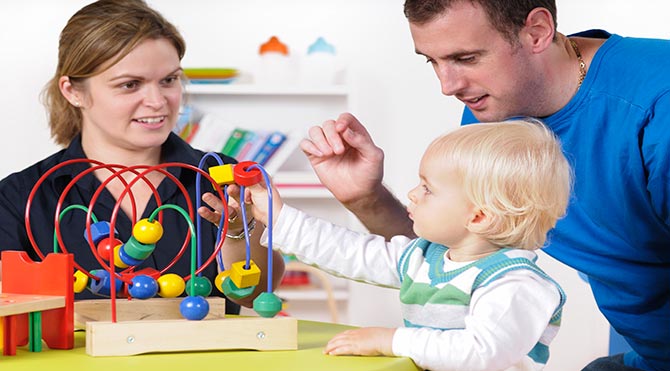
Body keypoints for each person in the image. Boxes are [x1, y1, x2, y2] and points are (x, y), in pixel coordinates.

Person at [301, 1, 670, 370]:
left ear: (537, 31)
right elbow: (456, 255)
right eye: (432, 61)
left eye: (466, 58)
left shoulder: (657, 106)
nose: (448, 86)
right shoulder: (495, 113)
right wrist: (367, 198)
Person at [0, 0, 284, 312]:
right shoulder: (20, 198)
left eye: (169, 80)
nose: (157, 101)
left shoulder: (224, 178)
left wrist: (236, 231)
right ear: (73, 91)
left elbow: (255, 297)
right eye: (130, 84)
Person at [240, 119, 571, 371]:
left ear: (479, 217)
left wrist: (390, 340)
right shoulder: (424, 257)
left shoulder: (516, 284)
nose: (412, 194)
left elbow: (481, 352)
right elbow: (350, 252)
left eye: (427, 189)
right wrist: (278, 216)